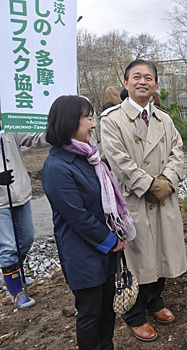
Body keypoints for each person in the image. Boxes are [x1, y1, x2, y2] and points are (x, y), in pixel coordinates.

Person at [100, 59, 187, 342]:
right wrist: (148, 184)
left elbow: (177, 152)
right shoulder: (111, 120)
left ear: (156, 85)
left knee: (163, 250)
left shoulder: (165, 119)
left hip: (164, 198)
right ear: (125, 84)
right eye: (136, 77)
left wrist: (167, 182)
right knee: (137, 258)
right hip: (134, 199)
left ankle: (155, 301)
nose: (142, 81)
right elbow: (118, 160)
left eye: (148, 77)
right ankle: (134, 314)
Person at [42, 95, 129, 349]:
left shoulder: (88, 157)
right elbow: (77, 216)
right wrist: (111, 240)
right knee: (90, 313)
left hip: (102, 249)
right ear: (69, 122)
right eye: (88, 118)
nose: (93, 125)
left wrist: (118, 232)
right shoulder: (57, 166)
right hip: (82, 253)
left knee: (106, 308)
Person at [0, 111, 48, 309]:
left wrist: (56, 132)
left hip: (20, 194)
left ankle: (17, 273)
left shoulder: (8, 125)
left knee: (26, 239)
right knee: (8, 247)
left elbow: (33, 138)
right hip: (1, 201)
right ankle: (16, 291)